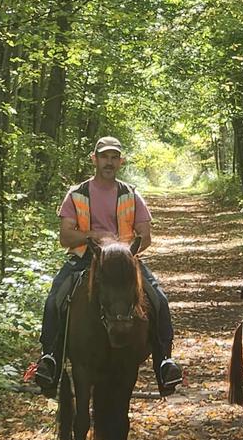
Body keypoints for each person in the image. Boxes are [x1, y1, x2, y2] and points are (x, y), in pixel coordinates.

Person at [34, 136, 183, 398]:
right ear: (95, 159)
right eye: (104, 157)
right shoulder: (77, 194)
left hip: (123, 261)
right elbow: (65, 237)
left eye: (114, 158)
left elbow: (145, 236)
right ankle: (50, 360)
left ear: (121, 162)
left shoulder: (130, 194)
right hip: (84, 258)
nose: (109, 162)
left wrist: (123, 252)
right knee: (55, 300)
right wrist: (91, 236)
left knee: (159, 299)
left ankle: (164, 362)